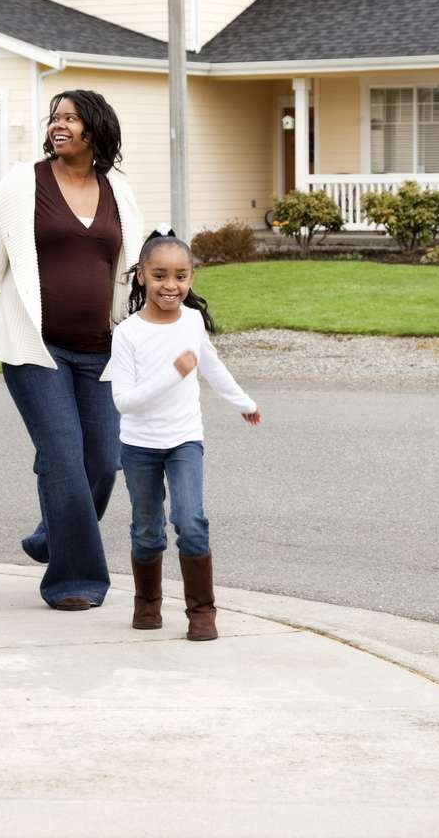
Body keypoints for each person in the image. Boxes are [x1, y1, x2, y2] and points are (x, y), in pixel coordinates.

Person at [0, 89, 144, 611]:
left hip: (104, 351)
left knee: (103, 462)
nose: (59, 125)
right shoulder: (22, 185)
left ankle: (54, 534)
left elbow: (133, 268)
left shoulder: (119, 191)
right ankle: (73, 581)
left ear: (96, 129)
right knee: (63, 458)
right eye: (54, 118)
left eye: (71, 118)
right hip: (36, 349)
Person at [109, 231, 261, 641]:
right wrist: (173, 373)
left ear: (192, 277)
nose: (171, 285)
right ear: (142, 276)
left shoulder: (192, 322)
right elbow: (125, 402)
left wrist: (243, 402)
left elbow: (211, 366)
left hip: (184, 441)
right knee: (147, 529)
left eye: (181, 276)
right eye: (160, 275)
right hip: (139, 446)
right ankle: (147, 603)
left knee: (190, 521)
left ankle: (202, 612)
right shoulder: (128, 334)